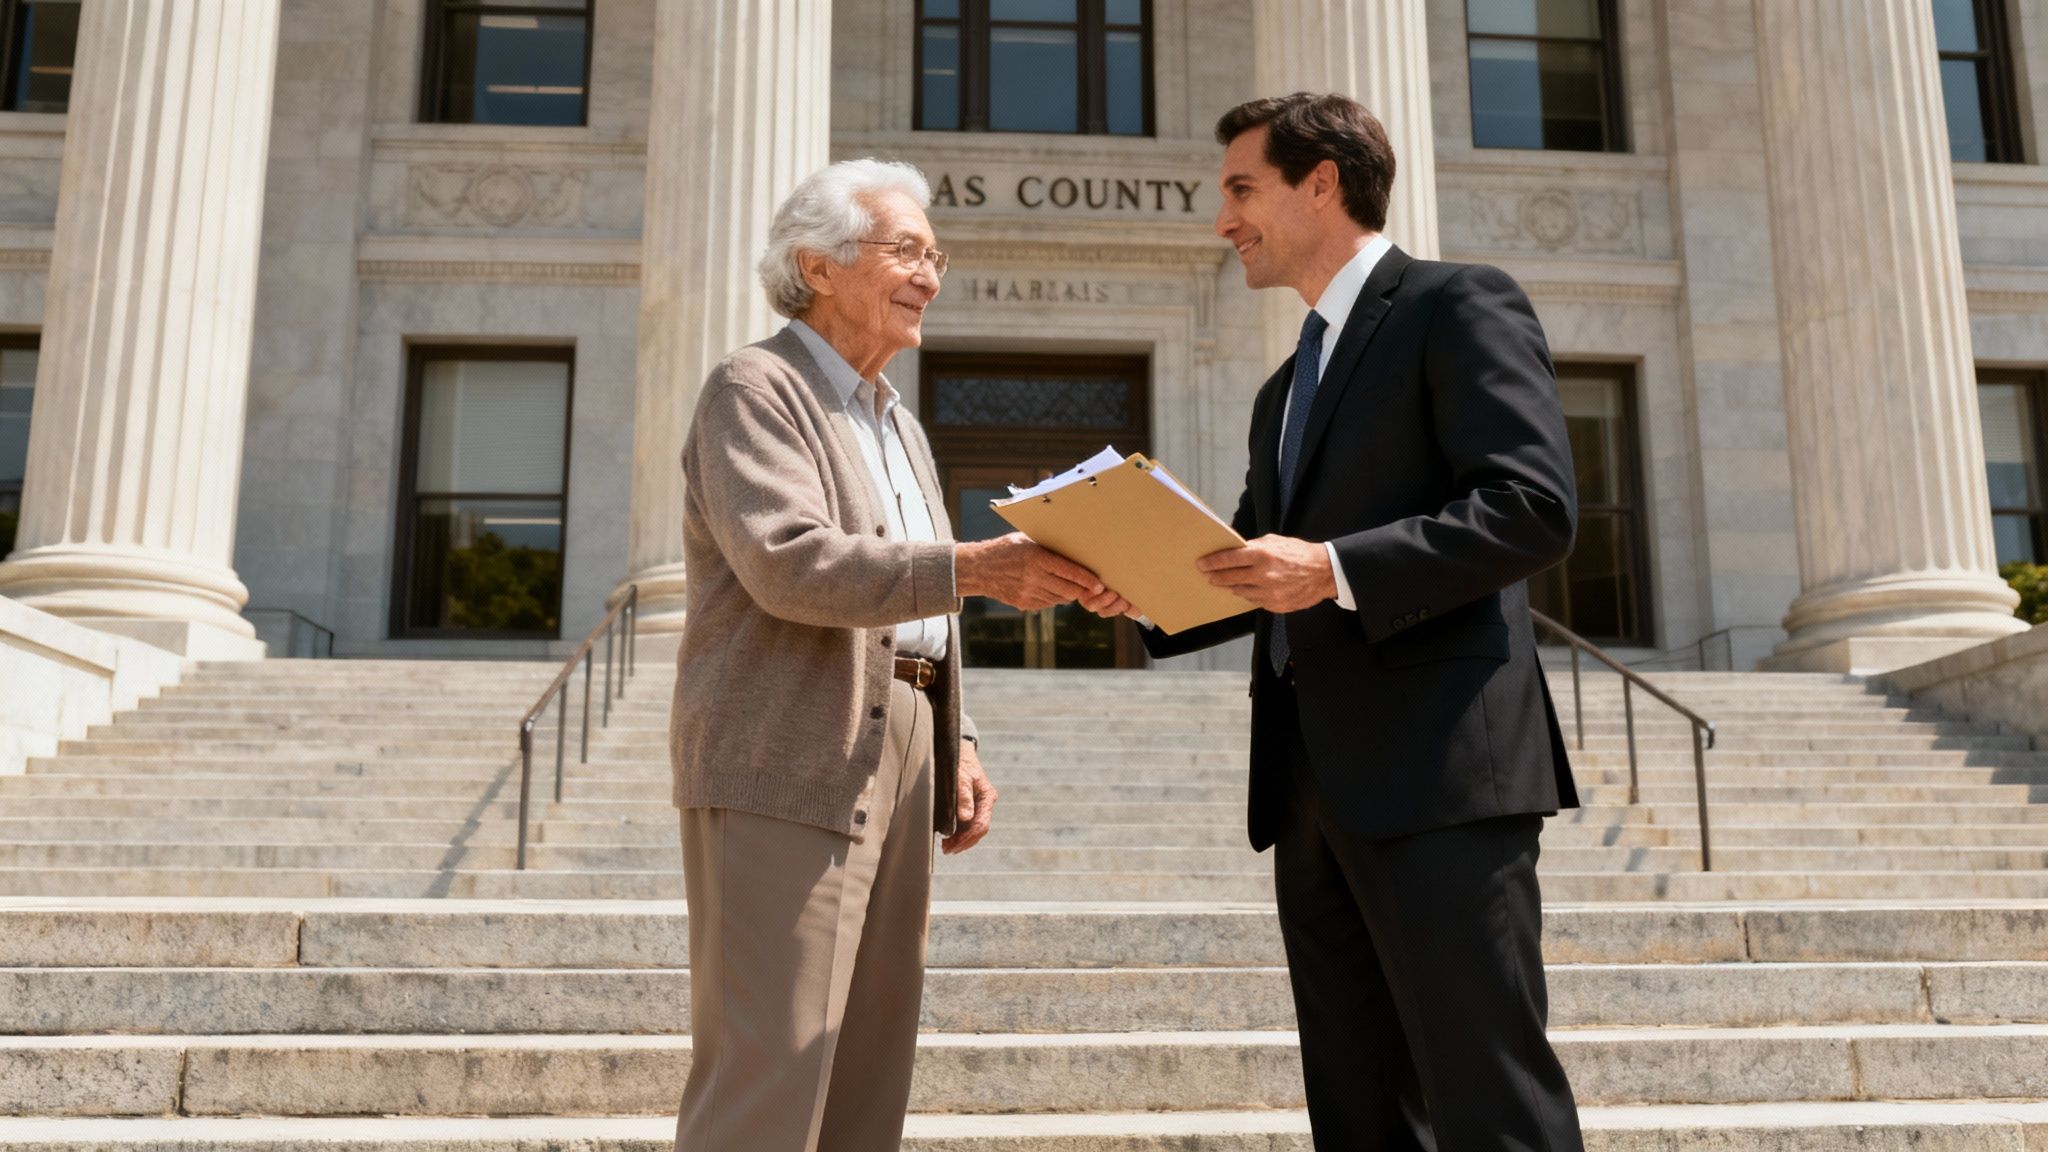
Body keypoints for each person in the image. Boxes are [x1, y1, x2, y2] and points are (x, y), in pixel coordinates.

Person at [1131, 92, 1587, 1148]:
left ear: (1320, 182)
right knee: (1357, 1106)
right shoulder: (1281, 388)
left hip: (1439, 773)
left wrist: (1334, 566)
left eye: (1241, 189)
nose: (1222, 220)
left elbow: (1531, 508)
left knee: (1486, 1098)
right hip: (1309, 787)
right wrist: (1138, 587)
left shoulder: (1456, 304)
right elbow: (1249, 568)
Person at [666, 157, 1117, 1152]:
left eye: (935, 256)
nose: (930, 276)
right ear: (818, 266)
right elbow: (792, 566)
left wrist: (958, 735)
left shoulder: (898, 422)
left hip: (906, 737)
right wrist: (978, 565)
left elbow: (921, 608)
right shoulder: (755, 387)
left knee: (869, 1061)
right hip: (785, 742)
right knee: (772, 1062)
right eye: (906, 250)